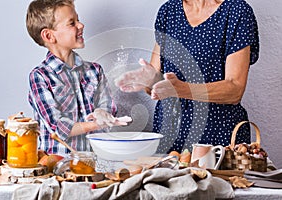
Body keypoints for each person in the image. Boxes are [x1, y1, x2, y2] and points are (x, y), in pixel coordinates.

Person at [115, 0, 259, 153]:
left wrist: (180, 90)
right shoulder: (168, 11)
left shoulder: (237, 11)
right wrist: (148, 79)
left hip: (218, 136)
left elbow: (235, 89)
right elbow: (156, 80)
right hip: (169, 134)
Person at [26, 0, 130, 155]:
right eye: (72, 23)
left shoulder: (95, 71)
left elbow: (108, 108)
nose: (81, 25)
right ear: (49, 35)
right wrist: (95, 124)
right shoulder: (40, 77)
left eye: (78, 20)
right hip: (58, 168)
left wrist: (102, 113)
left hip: (96, 163)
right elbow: (58, 127)